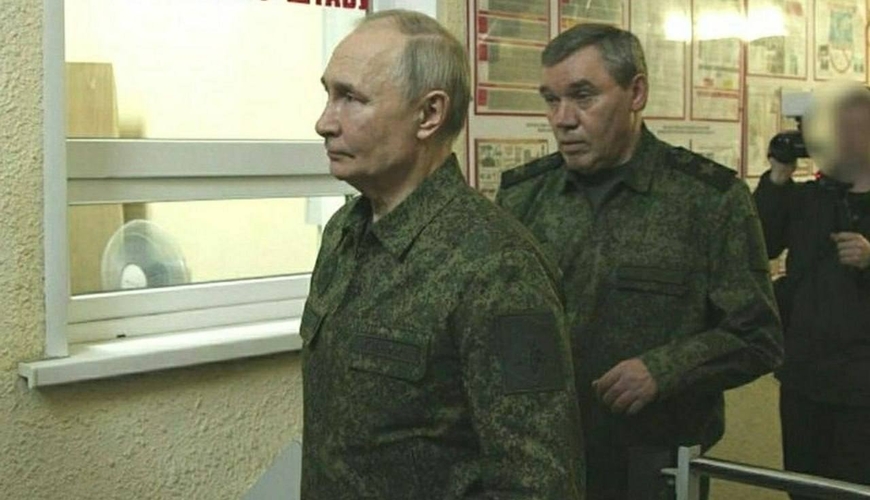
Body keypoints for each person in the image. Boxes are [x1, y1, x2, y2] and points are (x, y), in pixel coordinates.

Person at [301, 10, 585, 500]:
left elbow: (539, 483)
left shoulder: (499, 267)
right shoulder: (344, 233)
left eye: (351, 98)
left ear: (429, 115)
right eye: (329, 95)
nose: (324, 122)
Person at [496, 24, 783, 500]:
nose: (562, 119)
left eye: (583, 96)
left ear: (636, 93)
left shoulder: (708, 200)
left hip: (653, 465)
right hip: (541, 459)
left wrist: (665, 369)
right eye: (551, 99)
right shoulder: (524, 196)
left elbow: (758, 337)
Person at [754, 86, 870, 497]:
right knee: (802, 484)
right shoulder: (808, 198)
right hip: (805, 375)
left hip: (862, 385)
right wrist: (777, 179)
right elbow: (760, 246)